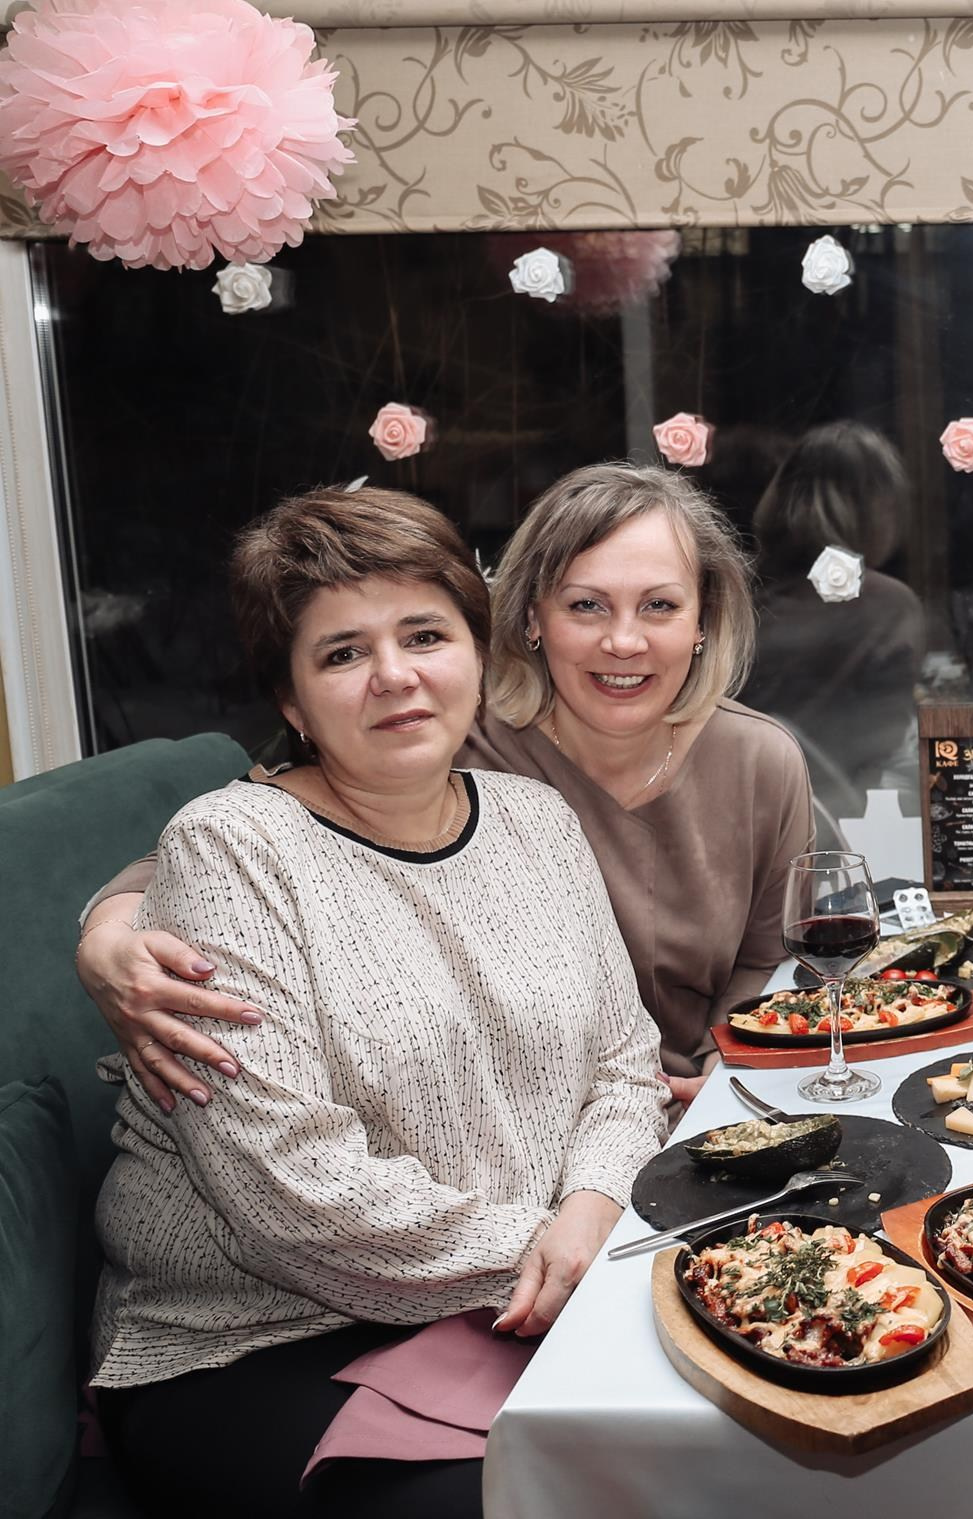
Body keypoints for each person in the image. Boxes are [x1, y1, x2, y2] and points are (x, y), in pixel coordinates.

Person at [90, 486, 667, 1518]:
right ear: (293, 704)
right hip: (261, 1341)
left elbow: (624, 1064)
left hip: (528, 1291)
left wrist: (590, 1214)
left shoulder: (536, 821)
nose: (395, 675)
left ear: (477, 655)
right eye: (342, 653)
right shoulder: (233, 849)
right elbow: (291, 1197)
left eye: (424, 634)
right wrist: (564, 1253)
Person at [77, 464, 814, 1111]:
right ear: (530, 619)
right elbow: (247, 834)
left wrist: (730, 1065)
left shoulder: (760, 760)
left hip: (706, 1107)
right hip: (527, 1129)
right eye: (585, 605)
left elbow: (772, 956)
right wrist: (105, 940)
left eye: (659, 605)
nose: (623, 641)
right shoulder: (444, 731)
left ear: (703, 621)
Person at [742, 419, 929, 818]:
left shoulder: (738, 593)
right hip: (843, 822)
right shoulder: (888, 606)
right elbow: (884, 742)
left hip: (742, 810)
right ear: (877, 507)